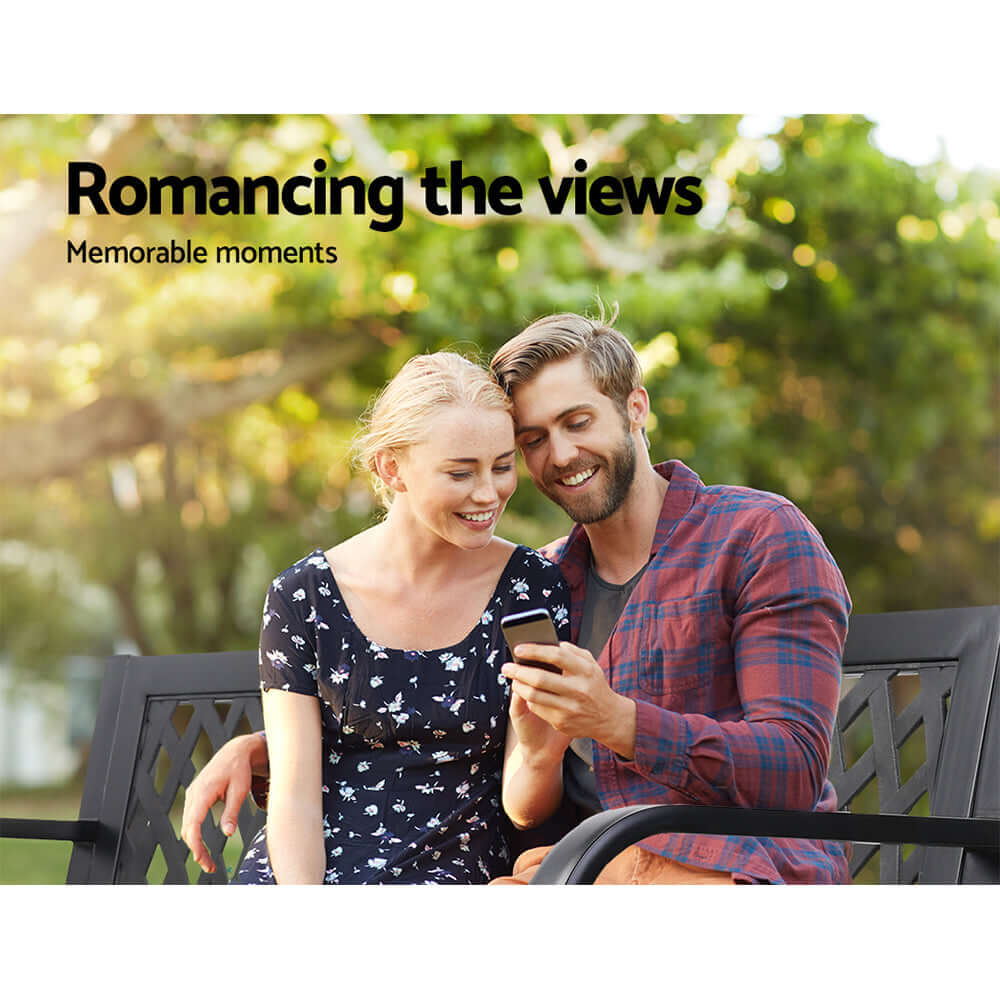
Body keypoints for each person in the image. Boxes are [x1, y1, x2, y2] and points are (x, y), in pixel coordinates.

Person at [184, 308, 851, 884]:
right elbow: (474, 739)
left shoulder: (757, 535)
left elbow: (791, 767)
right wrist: (266, 744)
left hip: (737, 866)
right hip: (594, 866)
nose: (560, 453)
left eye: (578, 420)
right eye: (533, 440)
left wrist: (614, 720)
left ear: (637, 407)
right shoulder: (551, 582)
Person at [224, 352, 570, 884]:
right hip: (304, 873)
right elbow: (293, 796)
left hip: (450, 871)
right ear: (391, 467)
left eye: (502, 466)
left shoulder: (530, 587)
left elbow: (525, 808)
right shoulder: (303, 596)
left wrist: (542, 753)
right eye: (460, 472)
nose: (489, 493)